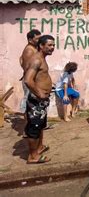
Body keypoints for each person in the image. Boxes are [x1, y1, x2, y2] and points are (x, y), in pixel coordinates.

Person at [23, 35, 55, 164]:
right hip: (36, 100)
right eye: (49, 45)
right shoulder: (36, 60)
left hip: (42, 100)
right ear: (41, 46)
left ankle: (39, 147)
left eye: (53, 45)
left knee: (41, 125)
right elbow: (28, 80)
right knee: (34, 127)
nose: (52, 48)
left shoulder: (42, 58)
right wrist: (39, 93)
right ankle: (32, 156)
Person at [19, 29, 42, 114]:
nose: (39, 40)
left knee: (33, 101)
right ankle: (26, 123)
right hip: (30, 79)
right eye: (37, 39)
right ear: (30, 40)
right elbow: (27, 67)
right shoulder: (29, 50)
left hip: (33, 79)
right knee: (28, 100)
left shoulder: (34, 48)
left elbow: (20, 60)